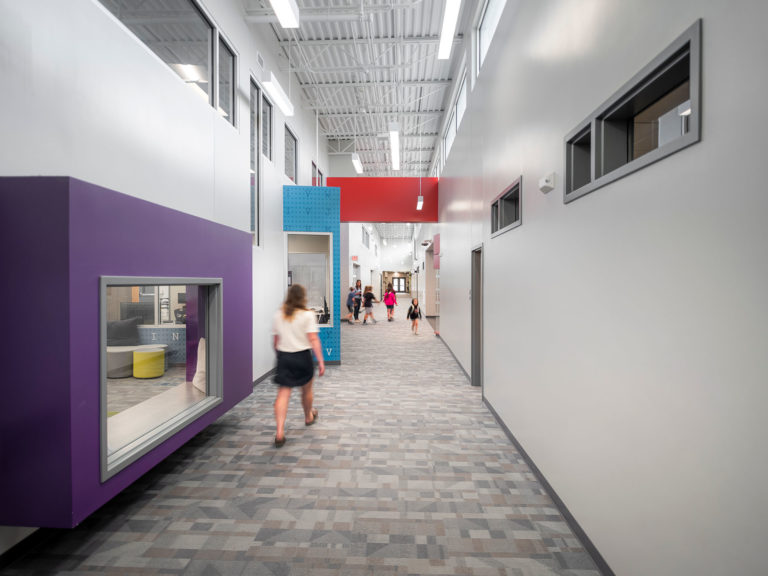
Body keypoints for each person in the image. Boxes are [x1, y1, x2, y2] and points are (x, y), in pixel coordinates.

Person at [272, 284, 324, 448]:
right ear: (303, 297)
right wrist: (321, 361)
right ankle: (308, 416)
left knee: (283, 393)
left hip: (284, 356)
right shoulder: (308, 315)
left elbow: (275, 342)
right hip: (302, 356)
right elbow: (313, 339)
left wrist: (281, 355)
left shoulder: (279, 315)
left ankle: (279, 432)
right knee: (306, 390)